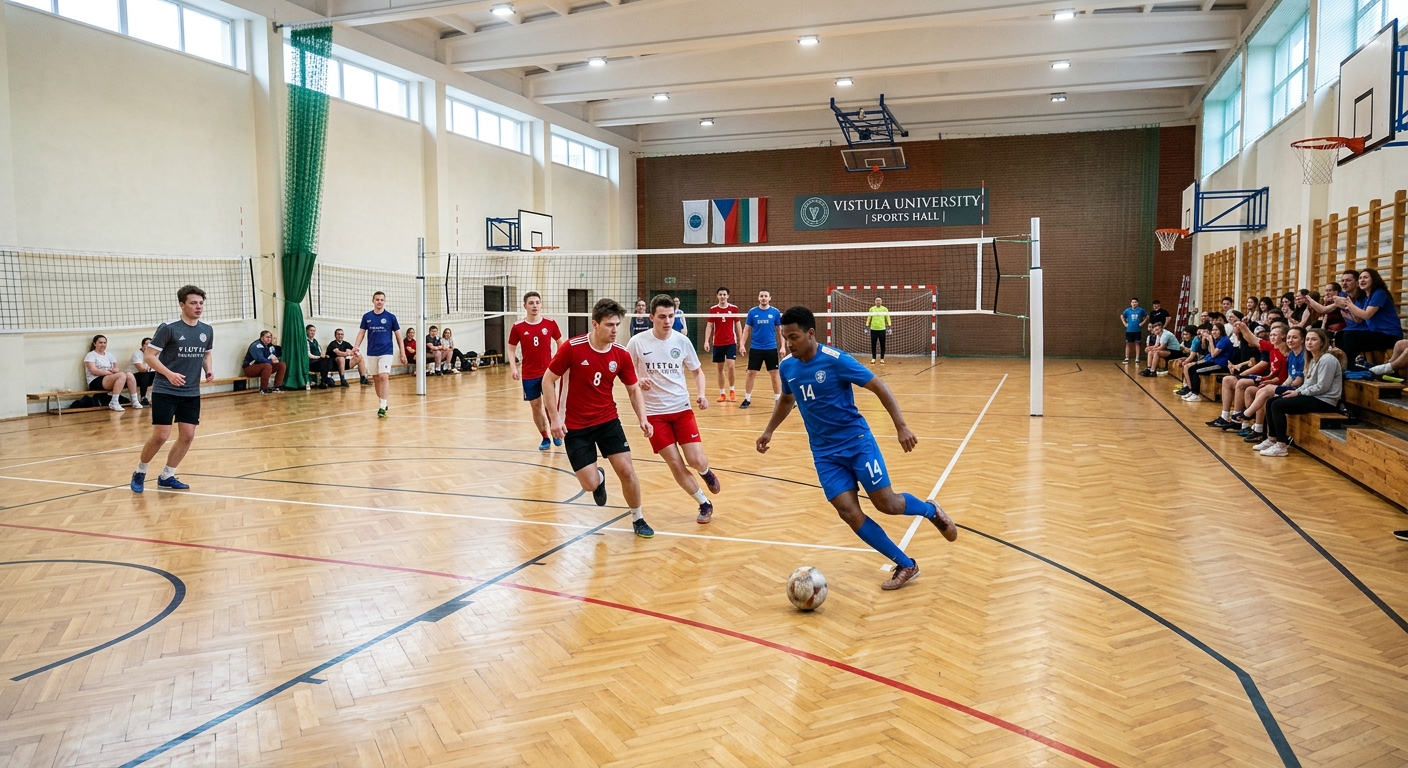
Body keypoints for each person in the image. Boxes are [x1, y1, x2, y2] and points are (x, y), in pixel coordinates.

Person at [755, 306, 957, 591]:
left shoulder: (836, 361)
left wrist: (901, 426)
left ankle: (929, 510)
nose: (788, 343)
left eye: (794, 337)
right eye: (785, 337)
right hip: (824, 454)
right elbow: (787, 400)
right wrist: (768, 430)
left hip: (857, 443)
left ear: (811, 334)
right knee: (848, 512)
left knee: (887, 504)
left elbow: (879, 387)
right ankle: (906, 563)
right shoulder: (788, 366)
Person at [542, 298, 656, 538]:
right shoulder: (573, 348)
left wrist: (643, 419)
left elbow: (633, 389)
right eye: (609, 325)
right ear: (595, 324)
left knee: (627, 471)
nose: (615, 330)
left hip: (607, 421)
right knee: (589, 484)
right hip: (575, 426)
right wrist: (554, 419)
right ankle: (599, 479)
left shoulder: (621, 354)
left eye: (617, 324)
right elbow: (548, 380)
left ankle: (638, 518)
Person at [627, 294, 722, 524]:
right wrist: (639, 379)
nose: (667, 321)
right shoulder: (637, 342)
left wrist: (701, 394)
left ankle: (705, 471)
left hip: (681, 409)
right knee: (676, 464)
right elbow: (626, 374)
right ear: (651, 317)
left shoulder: (681, 341)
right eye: (662, 316)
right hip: (654, 415)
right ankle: (704, 503)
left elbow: (697, 371)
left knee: (696, 459)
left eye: (671, 316)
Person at [131, 285, 214, 493]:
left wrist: (208, 370)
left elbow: (206, 354)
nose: (198, 307)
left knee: (187, 436)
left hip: (191, 392)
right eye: (193, 303)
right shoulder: (169, 327)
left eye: (201, 303)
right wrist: (169, 374)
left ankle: (167, 475)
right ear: (182, 305)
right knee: (161, 435)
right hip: (165, 390)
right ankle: (140, 471)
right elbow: (149, 356)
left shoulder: (207, 330)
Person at [1255, 327, 1345, 457]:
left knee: (1277, 405)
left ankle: (1281, 445)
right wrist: (1296, 391)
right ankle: (1271, 439)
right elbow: (1308, 382)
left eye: (1313, 339)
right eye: (1308, 339)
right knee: (1271, 401)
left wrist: (1299, 393)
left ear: (1322, 342)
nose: (1309, 342)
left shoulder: (1327, 359)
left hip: (1325, 400)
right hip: (1315, 396)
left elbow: (1322, 387)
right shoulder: (1312, 358)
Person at [508, 291, 565, 451]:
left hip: (547, 373)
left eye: (537, 302)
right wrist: (513, 367)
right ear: (525, 306)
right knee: (535, 406)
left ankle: (555, 433)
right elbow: (511, 349)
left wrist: (558, 363)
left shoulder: (550, 323)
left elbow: (561, 344)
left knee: (549, 404)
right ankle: (545, 437)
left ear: (541, 305)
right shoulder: (518, 327)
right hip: (528, 374)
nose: (535, 306)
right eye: (531, 303)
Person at [1235, 325, 1305, 443]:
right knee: (1253, 390)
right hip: (1285, 384)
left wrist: (1275, 384)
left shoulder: (1290, 354)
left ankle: (1248, 416)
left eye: (1294, 337)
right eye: (1289, 337)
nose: (1290, 340)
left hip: (1297, 389)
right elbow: (1290, 377)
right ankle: (1254, 426)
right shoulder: (1290, 353)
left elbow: (1295, 380)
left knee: (1265, 393)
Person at [1335, 269, 1403, 362]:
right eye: (1360, 278)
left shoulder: (1379, 293)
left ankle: (1355, 366)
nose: (1362, 280)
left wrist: (1348, 304)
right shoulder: (1367, 297)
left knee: (1350, 336)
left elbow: (1367, 315)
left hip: (1390, 335)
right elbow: (1358, 317)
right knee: (1340, 335)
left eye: (1365, 277)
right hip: (1376, 333)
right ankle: (1345, 365)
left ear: (1374, 279)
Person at [355, 291, 405, 418]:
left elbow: (399, 336)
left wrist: (402, 353)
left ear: (384, 301)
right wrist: (356, 346)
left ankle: (383, 406)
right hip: (372, 352)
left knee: (383, 377)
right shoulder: (367, 317)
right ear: (373, 301)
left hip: (386, 352)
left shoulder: (391, 317)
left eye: (382, 300)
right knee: (376, 378)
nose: (379, 302)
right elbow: (361, 333)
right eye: (377, 299)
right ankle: (382, 401)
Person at [740, 289, 783, 409]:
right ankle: (747, 399)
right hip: (756, 348)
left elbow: (780, 331)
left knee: (774, 374)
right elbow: (747, 329)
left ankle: (777, 399)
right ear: (758, 298)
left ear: (770, 298)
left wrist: (783, 346)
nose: (763, 298)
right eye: (761, 296)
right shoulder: (752, 312)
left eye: (765, 296)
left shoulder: (775, 312)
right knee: (751, 373)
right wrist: (742, 344)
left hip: (771, 348)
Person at [1176, 322, 1232, 401]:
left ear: (1221, 331)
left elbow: (1213, 354)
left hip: (1220, 364)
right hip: (1213, 361)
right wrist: (1207, 341)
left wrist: (1211, 341)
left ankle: (1196, 394)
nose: (1214, 332)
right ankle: (1192, 391)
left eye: (1216, 330)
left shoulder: (1224, 340)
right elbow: (1210, 351)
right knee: (1191, 368)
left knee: (1195, 370)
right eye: (1213, 330)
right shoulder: (1217, 339)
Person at [84, 335, 141, 411]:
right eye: (100, 343)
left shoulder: (109, 355)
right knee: (121, 375)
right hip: (95, 380)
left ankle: (135, 400)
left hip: (109, 377)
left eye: (104, 343)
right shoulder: (90, 355)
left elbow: (116, 368)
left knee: (129, 374)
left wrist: (115, 370)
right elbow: (94, 371)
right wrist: (109, 373)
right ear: (94, 344)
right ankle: (114, 402)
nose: (103, 345)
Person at [703, 287, 740, 402]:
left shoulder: (734, 309)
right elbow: (709, 326)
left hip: (730, 342)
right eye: (720, 294)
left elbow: (738, 325)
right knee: (720, 369)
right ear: (717, 296)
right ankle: (722, 393)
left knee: (731, 366)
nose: (722, 296)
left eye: (724, 294)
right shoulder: (713, 310)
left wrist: (741, 341)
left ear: (728, 296)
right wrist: (706, 341)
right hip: (717, 343)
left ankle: (732, 391)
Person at [305, 324, 334, 389]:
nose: (312, 332)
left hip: (319, 360)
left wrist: (322, 355)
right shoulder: (306, 341)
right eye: (311, 330)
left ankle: (325, 380)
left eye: (314, 331)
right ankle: (324, 380)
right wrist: (319, 357)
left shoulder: (315, 341)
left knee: (329, 360)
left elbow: (320, 351)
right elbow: (309, 354)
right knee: (323, 362)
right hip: (312, 362)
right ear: (307, 331)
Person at [1120, 297, 1148, 363]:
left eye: (1135, 302)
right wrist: (1124, 323)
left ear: (1137, 303)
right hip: (1129, 330)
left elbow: (1147, 316)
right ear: (1131, 303)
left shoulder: (1141, 310)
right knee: (1127, 344)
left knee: (1137, 344)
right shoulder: (1127, 310)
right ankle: (1127, 358)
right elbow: (1122, 316)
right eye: (1133, 302)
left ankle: (1137, 358)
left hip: (1137, 330)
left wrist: (1142, 323)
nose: (1134, 303)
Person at [866, 296, 892, 364]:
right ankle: (873, 358)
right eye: (877, 300)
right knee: (873, 344)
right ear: (875, 301)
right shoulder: (871, 309)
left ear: (881, 301)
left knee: (882, 344)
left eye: (879, 300)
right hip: (873, 329)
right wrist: (867, 324)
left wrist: (889, 324)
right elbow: (869, 317)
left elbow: (887, 317)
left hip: (882, 329)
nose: (878, 301)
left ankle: (882, 358)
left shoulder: (885, 309)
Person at [131, 337, 155, 406]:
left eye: (150, 345)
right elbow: (142, 369)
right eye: (147, 344)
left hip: (148, 376)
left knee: (159, 375)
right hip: (133, 377)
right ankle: (143, 397)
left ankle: (155, 398)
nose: (148, 346)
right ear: (142, 345)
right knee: (145, 374)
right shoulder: (136, 354)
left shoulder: (154, 354)